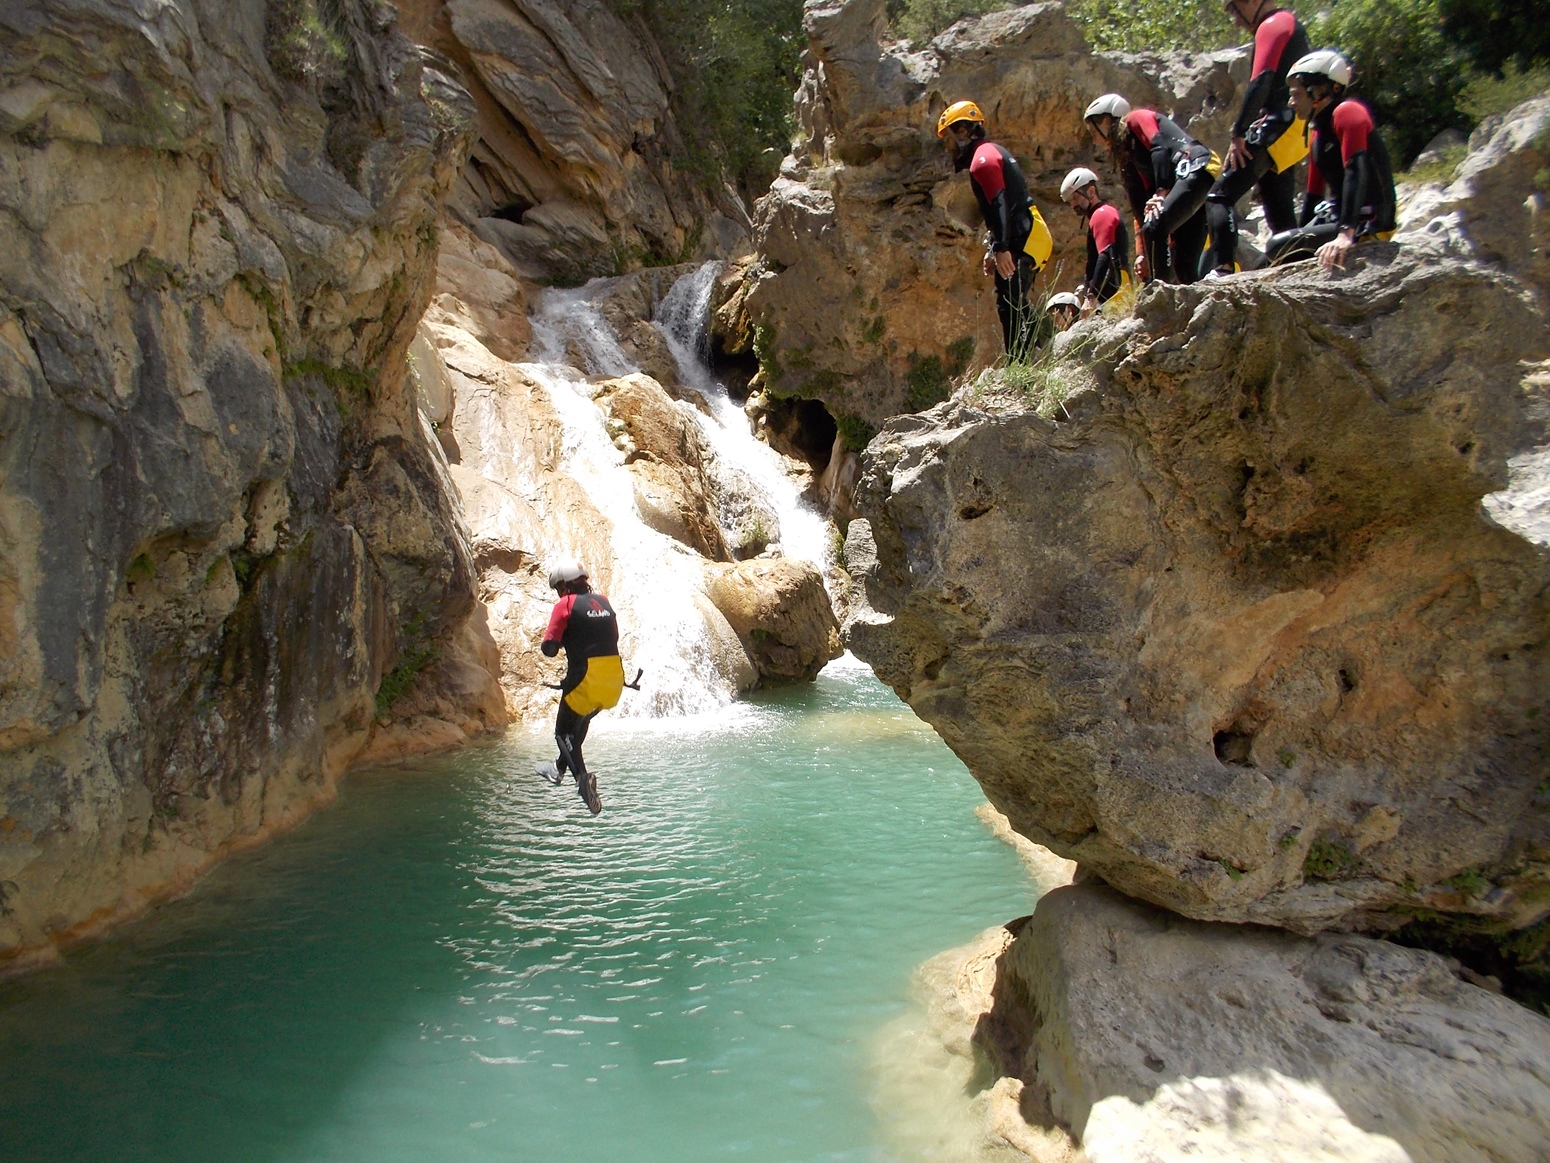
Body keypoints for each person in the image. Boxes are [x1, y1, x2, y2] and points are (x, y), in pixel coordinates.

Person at [937, 99, 1053, 361]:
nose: (947, 147)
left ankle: (1018, 362)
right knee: (1012, 296)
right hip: (1027, 232)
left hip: (1027, 234)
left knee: (1009, 299)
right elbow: (998, 208)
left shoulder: (983, 160)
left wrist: (1001, 247)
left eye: (948, 138)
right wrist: (994, 247)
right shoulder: (989, 153)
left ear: (963, 132)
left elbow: (999, 203)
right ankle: (1045, 347)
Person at [1203, 0, 1312, 277]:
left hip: (1273, 125)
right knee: (1279, 208)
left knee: (1219, 197)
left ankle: (1223, 269)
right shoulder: (1291, 23)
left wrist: (1238, 133)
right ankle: (1296, 269)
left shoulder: (1273, 24)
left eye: (1234, 10)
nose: (1236, 20)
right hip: (1293, 130)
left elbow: (1261, 80)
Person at [1263, 50, 1397, 271]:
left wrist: (1346, 234)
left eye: (1296, 95)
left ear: (1321, 92)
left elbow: (1356, 168)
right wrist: (1299, 236)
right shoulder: (1318, 132)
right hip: (1337, 219)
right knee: (1269, 257)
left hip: (1367, 223)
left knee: (1277, 246)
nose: (1291, 102)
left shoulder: (1348, 112)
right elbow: (1314, 194)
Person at [1085, 93, 1219, 285]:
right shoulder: (1129, 158)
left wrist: (1161, 190)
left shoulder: (1135, 118)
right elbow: (1141, 209)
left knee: (1156, 225)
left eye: (1095, 128)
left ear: (1109, 119)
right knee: (1182, 264)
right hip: (1187, 183)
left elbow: (1159, 146)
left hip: (1195, 164)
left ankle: (1159, 293)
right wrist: (1143, 254)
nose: (1095, 139)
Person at [537, 558, 624, 815]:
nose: (558, 593)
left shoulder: (565, 604)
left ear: (564, 586)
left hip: (585, 678)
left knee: (563, 732)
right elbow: (612, 637)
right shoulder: (605, 601)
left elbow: (549, 648)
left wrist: (561, 640)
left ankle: (582, 779)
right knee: (580, 721)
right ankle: (557, 769)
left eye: (557, 588)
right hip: (614, 682)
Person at [1060, 167, 1131, 317]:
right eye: (1070, 201)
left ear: (1091, 192)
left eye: (1075, 198)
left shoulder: (1101, 214)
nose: (1073, 205)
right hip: (1114, 293)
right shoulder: (1100, 215)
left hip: (1115, 295)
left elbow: (1106, 254)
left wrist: (1091, 296)